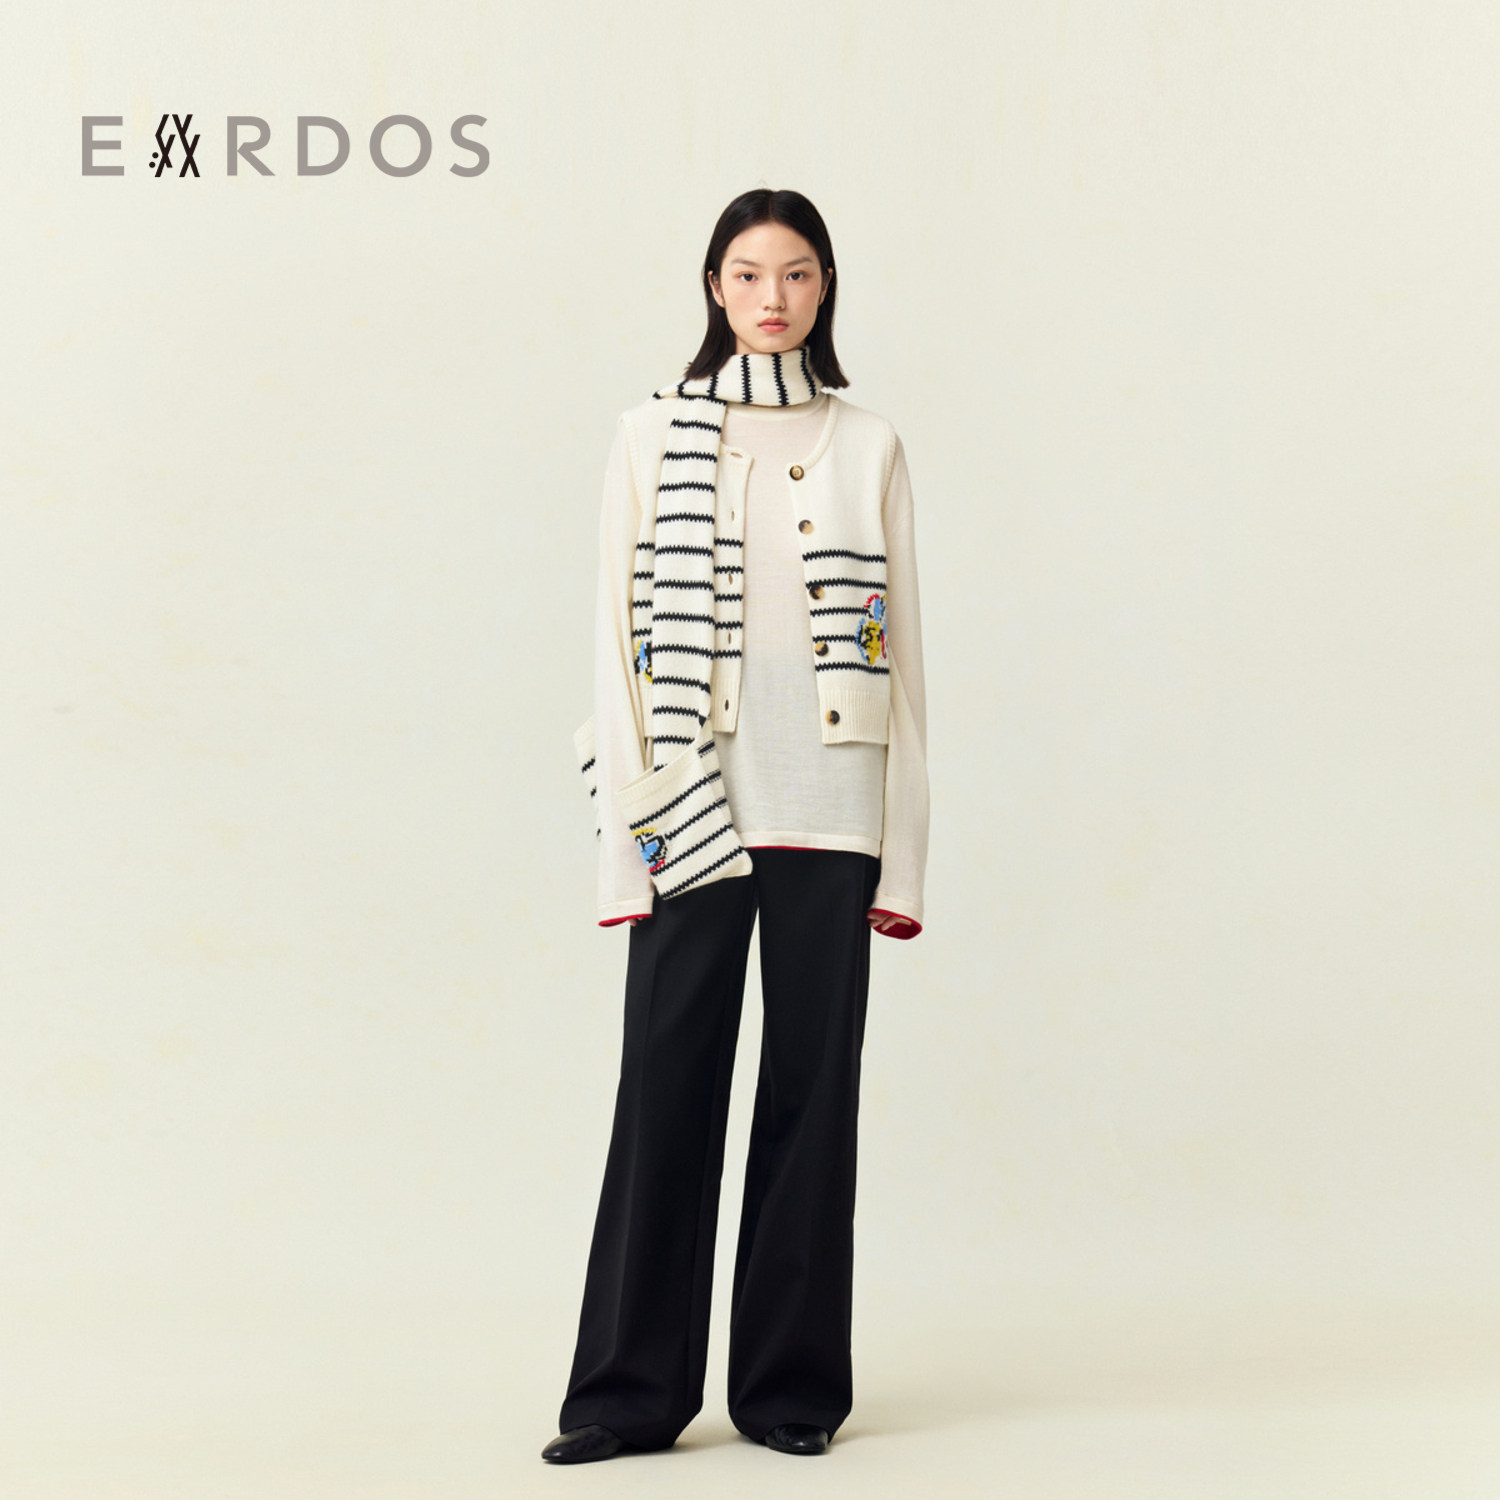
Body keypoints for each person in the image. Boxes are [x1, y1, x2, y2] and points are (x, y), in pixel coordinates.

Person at [546, 188, 929, 1464]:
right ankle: (626, 1395)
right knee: (667, 1085)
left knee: (815, 1096)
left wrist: (903, 850)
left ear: (826, 289)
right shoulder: (649, 434)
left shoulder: (869, 443)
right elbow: (614, 644)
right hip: (689, 799)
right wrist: (628, 844)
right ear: (715, 286)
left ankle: (790, 1392)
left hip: (832, 799)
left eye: (799, 273)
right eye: (751, 273)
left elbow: (903, 651)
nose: (775, 296)